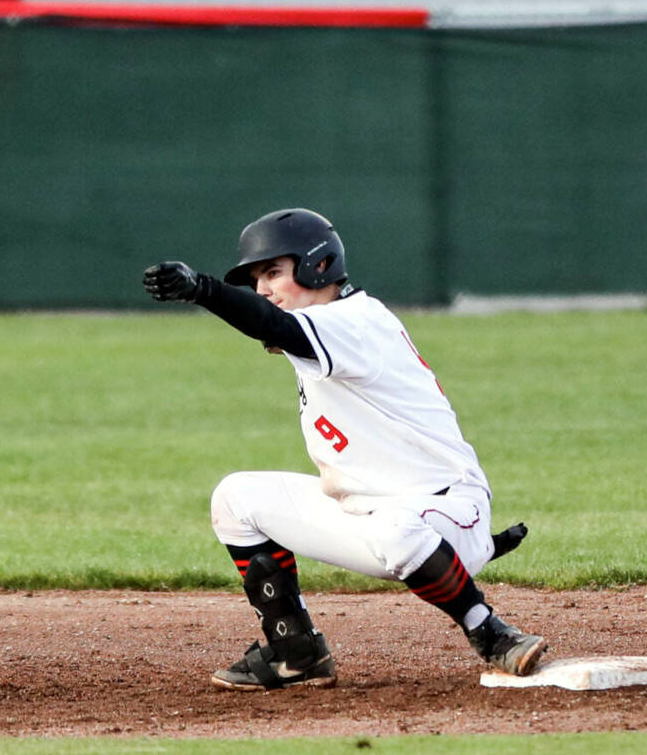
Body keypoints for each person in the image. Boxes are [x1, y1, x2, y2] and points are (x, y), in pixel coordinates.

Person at [142, 208, 547, 690]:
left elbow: (272, 325)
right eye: (256, 279)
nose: (263, 288)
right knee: (236, 498)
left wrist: (203, 289)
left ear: (318, 266)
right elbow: (276, 325)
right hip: (368, 515)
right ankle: (296, 652)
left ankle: (492, 632)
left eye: (273, 272)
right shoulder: (328, 323)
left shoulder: (355, 321)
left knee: (398, 531)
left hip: (446, 510)